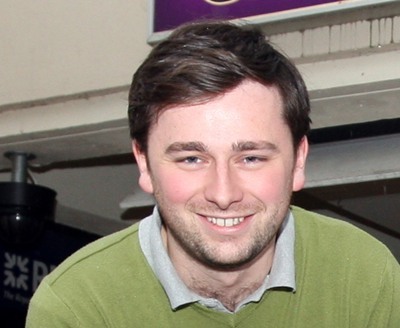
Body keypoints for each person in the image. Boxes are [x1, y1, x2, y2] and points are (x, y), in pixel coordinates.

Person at [26, 21, 400, 327]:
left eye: (251, 158)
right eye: (191, 159)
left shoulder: (362, 273)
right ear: (144, 163)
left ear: (298, 161)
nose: (223, 194)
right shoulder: (77, 306)